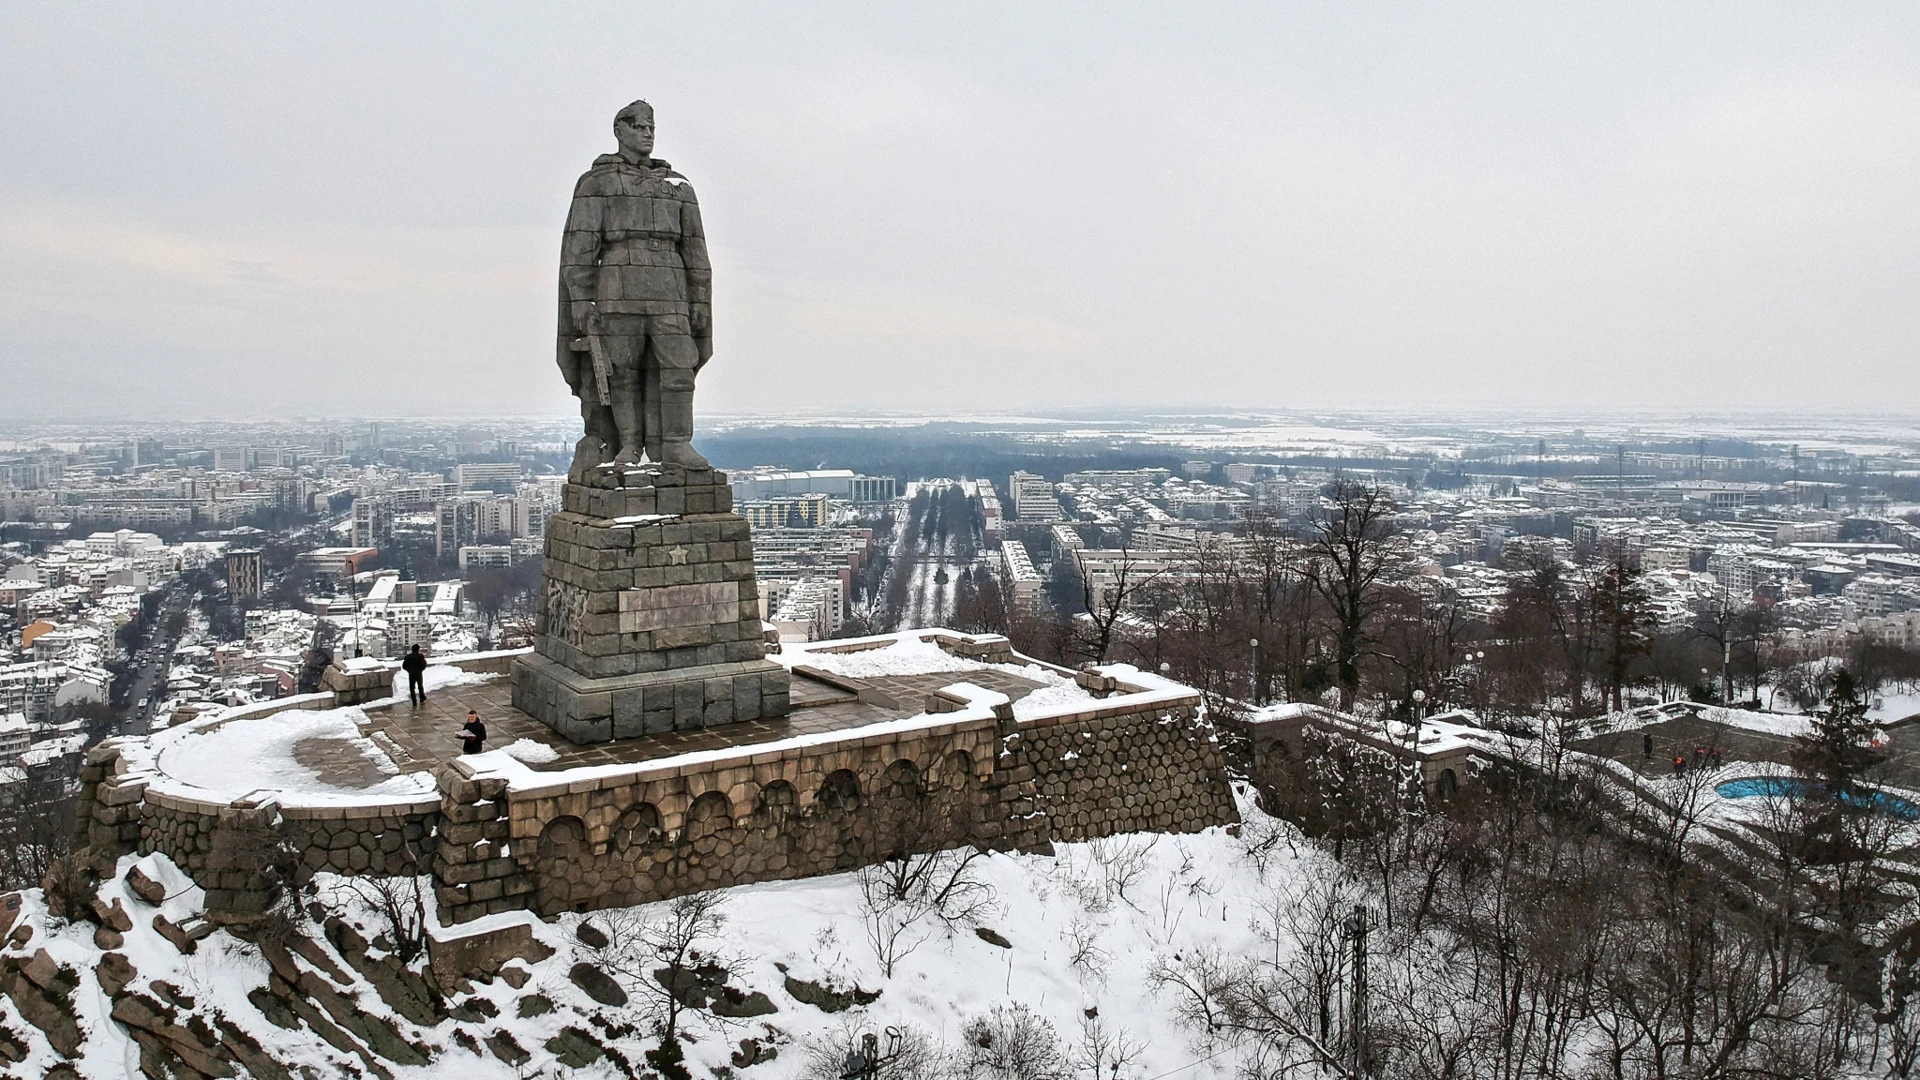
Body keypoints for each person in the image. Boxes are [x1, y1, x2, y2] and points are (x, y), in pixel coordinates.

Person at [558, 99, 714, 475]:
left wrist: (700, 299)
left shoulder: (677, 187)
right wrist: (581, 298)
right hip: (616, 285)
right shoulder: (599, 183)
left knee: (678, 366)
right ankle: (628, 443)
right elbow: (581, 247)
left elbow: (695, 248)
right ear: (620, 130)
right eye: (639, 126)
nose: (647, 134)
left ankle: (676, 443)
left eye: (651, 128)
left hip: (670, 287)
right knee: (621, 371)